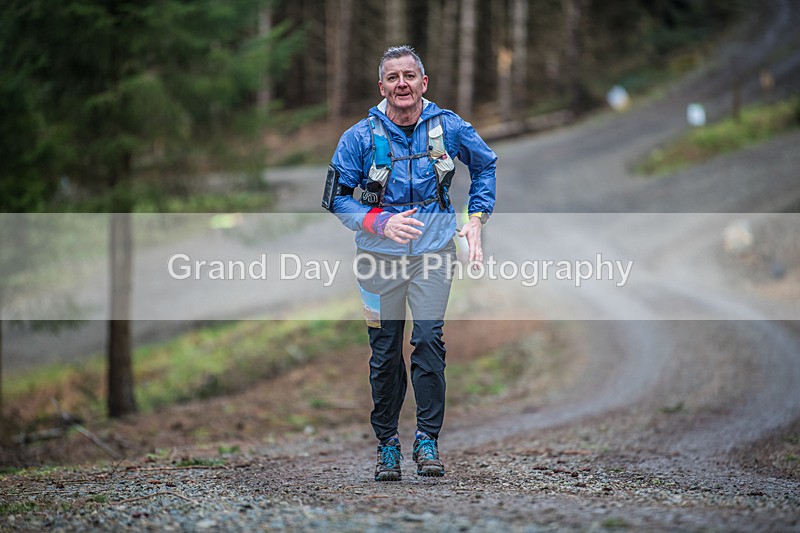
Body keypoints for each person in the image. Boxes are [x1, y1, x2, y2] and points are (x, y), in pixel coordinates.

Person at [322, 45, 496, 481]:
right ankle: (387, 446)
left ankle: (426, 440)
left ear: (424, 82)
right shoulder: (359, 137)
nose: (402, 84)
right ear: (382, 87)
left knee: (429, 340)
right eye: (393, 77)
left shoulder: (449, 127)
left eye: (409, 76)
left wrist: (476, 219)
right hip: (376, 259)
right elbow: (335, 197)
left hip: (434, 253)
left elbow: (486, 167)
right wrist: (378, 222)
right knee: (384, 353)